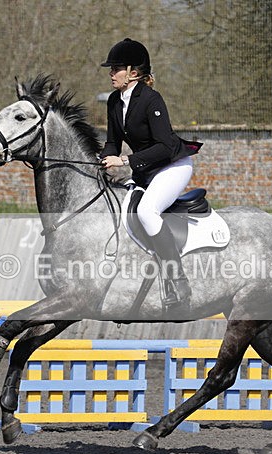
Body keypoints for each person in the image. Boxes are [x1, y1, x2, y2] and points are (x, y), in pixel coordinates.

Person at [99, 38, 201, 309]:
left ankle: (178, 280)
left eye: (116, 68)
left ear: (133, 72)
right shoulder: (113, 101)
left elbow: (165, 146)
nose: (111, 73)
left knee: (146, 211)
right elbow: (111, 141)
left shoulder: (151, 99)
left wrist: (125, 160)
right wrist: (103, 159)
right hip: (146, 169)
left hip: (171, 166)